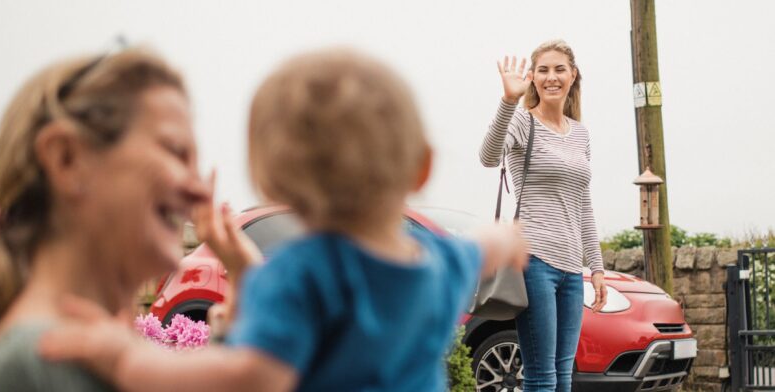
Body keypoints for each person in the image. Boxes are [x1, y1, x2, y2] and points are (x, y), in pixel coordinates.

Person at [38, 48, 528, 392]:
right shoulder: (440, 263)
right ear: (422, 167)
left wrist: (125, 359)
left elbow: (247, 379)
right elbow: (486, 245)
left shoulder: (295, 275)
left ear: (267, 180)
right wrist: (507, 239)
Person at [0, 47, 249, 391]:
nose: (200, 190)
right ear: (66, 159)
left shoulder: (100, 359)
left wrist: (244, 292)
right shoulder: (32, 367)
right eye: (175, 151)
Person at [479, 39, 608, 392]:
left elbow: (583, 203)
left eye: (560, 69)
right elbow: (489, 157)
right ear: (533, 78)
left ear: (573, 75)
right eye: (544, 70)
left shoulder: (580, 133)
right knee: (541, 375)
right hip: (533, 260)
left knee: (564, 373)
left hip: (571, 268)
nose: (552, 77)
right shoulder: (522, 121)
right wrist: (508, 101)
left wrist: (595, 266)